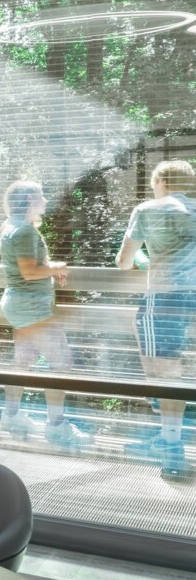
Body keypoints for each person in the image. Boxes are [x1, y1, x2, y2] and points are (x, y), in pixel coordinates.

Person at [116, 160, 196, 475]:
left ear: (161, 181)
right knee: (170, 368)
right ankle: (166, 435)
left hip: (164, 297)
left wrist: (140, 258)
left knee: (163, 372)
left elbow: (124, 261)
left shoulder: (149, 209)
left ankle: (172, 449)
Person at [0, 181, 91, 448]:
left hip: (19, 304)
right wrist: (57, 267)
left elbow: (25, 267)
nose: (46, 200)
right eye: (41, 195)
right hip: (31, 306)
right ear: (29, 198)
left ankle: (11, 416)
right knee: (62, 362)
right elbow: (28, 271)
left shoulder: (9, 225)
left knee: (23, 362)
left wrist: (48, 267)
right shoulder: (25, 230)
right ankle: (57, 428)